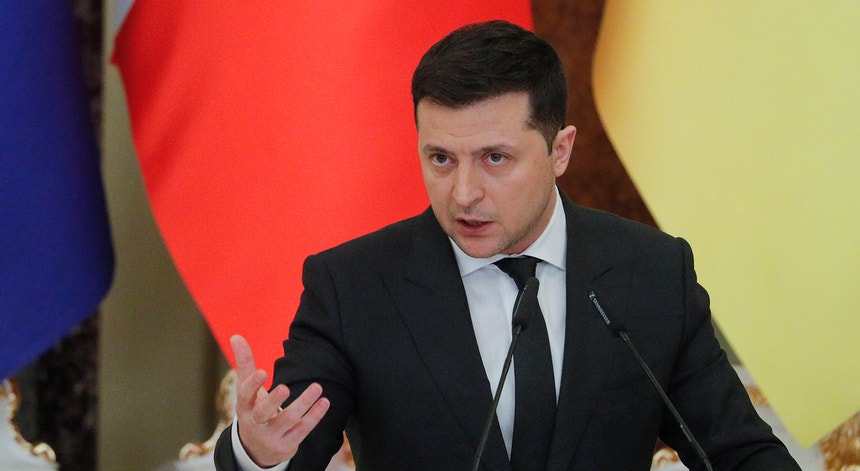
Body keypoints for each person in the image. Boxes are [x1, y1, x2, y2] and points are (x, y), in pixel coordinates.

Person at [215, 20, 800, 470]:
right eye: (440, 159)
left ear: (560, 151)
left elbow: (739, 453)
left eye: (495, 158)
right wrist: (258, 452)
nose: (463, 193)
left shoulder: (650, 273)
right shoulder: (353, 287)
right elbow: (291, 444)